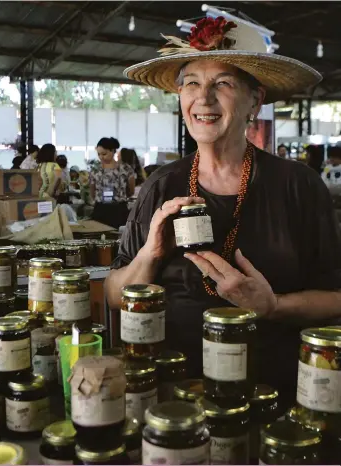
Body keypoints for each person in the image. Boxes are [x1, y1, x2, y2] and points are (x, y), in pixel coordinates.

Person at [106, 16, 338, 408]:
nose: (204, 98)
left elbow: (336, 297)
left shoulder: (298, 186)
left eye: (223, 84)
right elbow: (115, 293)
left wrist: (274, 306)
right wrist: (150, 254)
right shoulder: (162, 186)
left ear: (255, 99)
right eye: (192, 83)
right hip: (171, 391)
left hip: (272, 391)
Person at [90, 137, 135, 230]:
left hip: (119, 210)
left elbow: (131, 191)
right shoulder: (95, 170)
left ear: (113, 151)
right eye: (98, 154)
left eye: (104, 154)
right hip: (100, 210)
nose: (101, 157)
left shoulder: (126, 169)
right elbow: (92, 192)